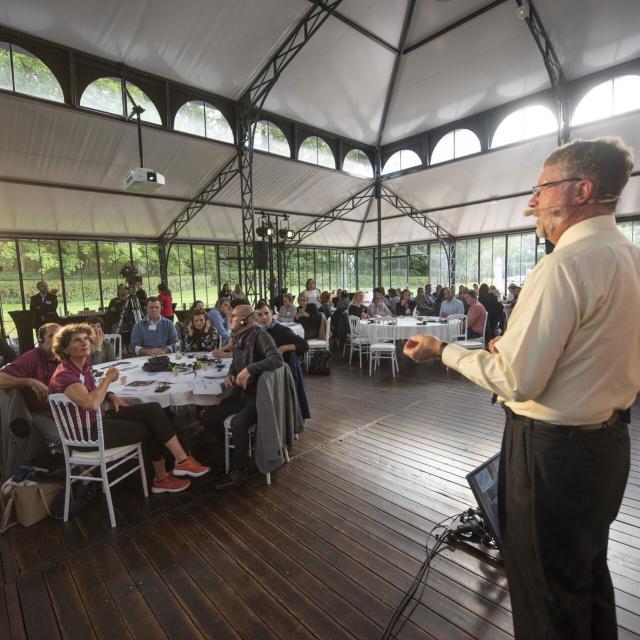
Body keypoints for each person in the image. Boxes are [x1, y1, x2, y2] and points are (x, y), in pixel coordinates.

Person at [404, 137, 639, 640]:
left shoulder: (563, 267)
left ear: (582, 190)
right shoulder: (629, 257)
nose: (532, 203)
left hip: (552, 457)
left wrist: (443, 351)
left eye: (542, 189)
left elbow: (517, 379)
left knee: (543, 596)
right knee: (586, 577)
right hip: (607, 447)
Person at [49, 324, 209, 494]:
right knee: (151, 425)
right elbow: (91, 403)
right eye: (77, 341)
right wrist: (108, 380)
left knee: (153, 410)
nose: (84, 343)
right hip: (87, 435)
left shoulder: (83, 364)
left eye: (86, 339)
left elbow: (91, 392)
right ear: (65, 349)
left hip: (98, 421)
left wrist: (110, 394)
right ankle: (163, 477)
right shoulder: (64, 375)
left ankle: (180, 462)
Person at [201, 304, 283, 489]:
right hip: (240, 394)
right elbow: (236, 362)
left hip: (257, 397)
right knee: (208, 417)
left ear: (245, 320)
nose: (229, 319)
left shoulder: (260, 336)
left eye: (233, 316)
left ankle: (240, 468)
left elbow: (277, 359)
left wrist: (250, 369)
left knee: (238, 423)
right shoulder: (239, 338)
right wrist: (231, 373)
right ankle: (240, 449)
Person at [0, 322, 61, 440]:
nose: (57, 339)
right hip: (35, 413)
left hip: (58, 410)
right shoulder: (32, 357)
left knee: (84, 430)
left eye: (60, 335)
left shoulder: (62, 357)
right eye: (51, 336)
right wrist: (30, 381)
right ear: (40, 340)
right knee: (62, 438)